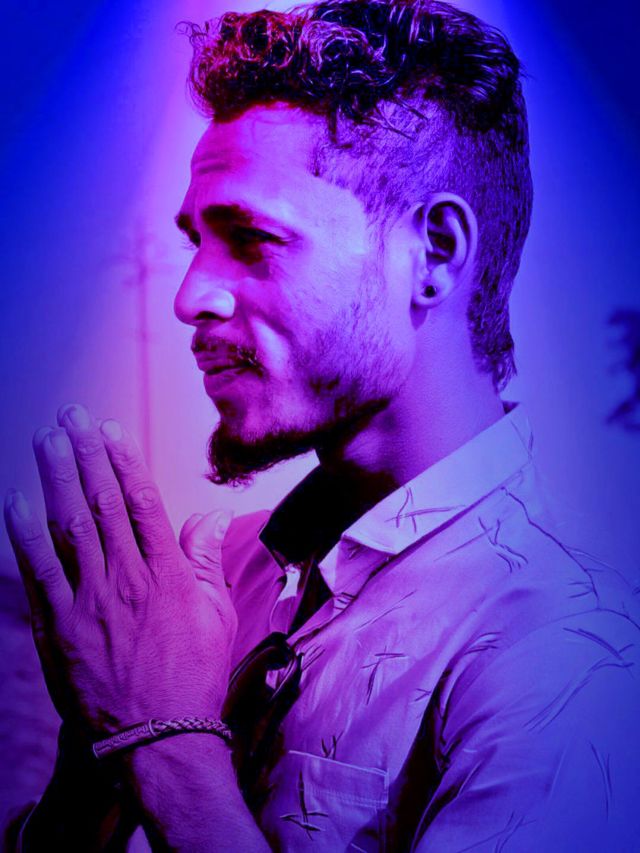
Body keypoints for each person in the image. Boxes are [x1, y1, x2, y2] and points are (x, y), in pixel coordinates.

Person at [4, 0, 639, 849]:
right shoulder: (222, 576)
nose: (192, 296)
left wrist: (164, 745)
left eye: (252, 239)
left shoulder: (575, 653)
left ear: (435, 252)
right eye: (196, 242)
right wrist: (97, 759)